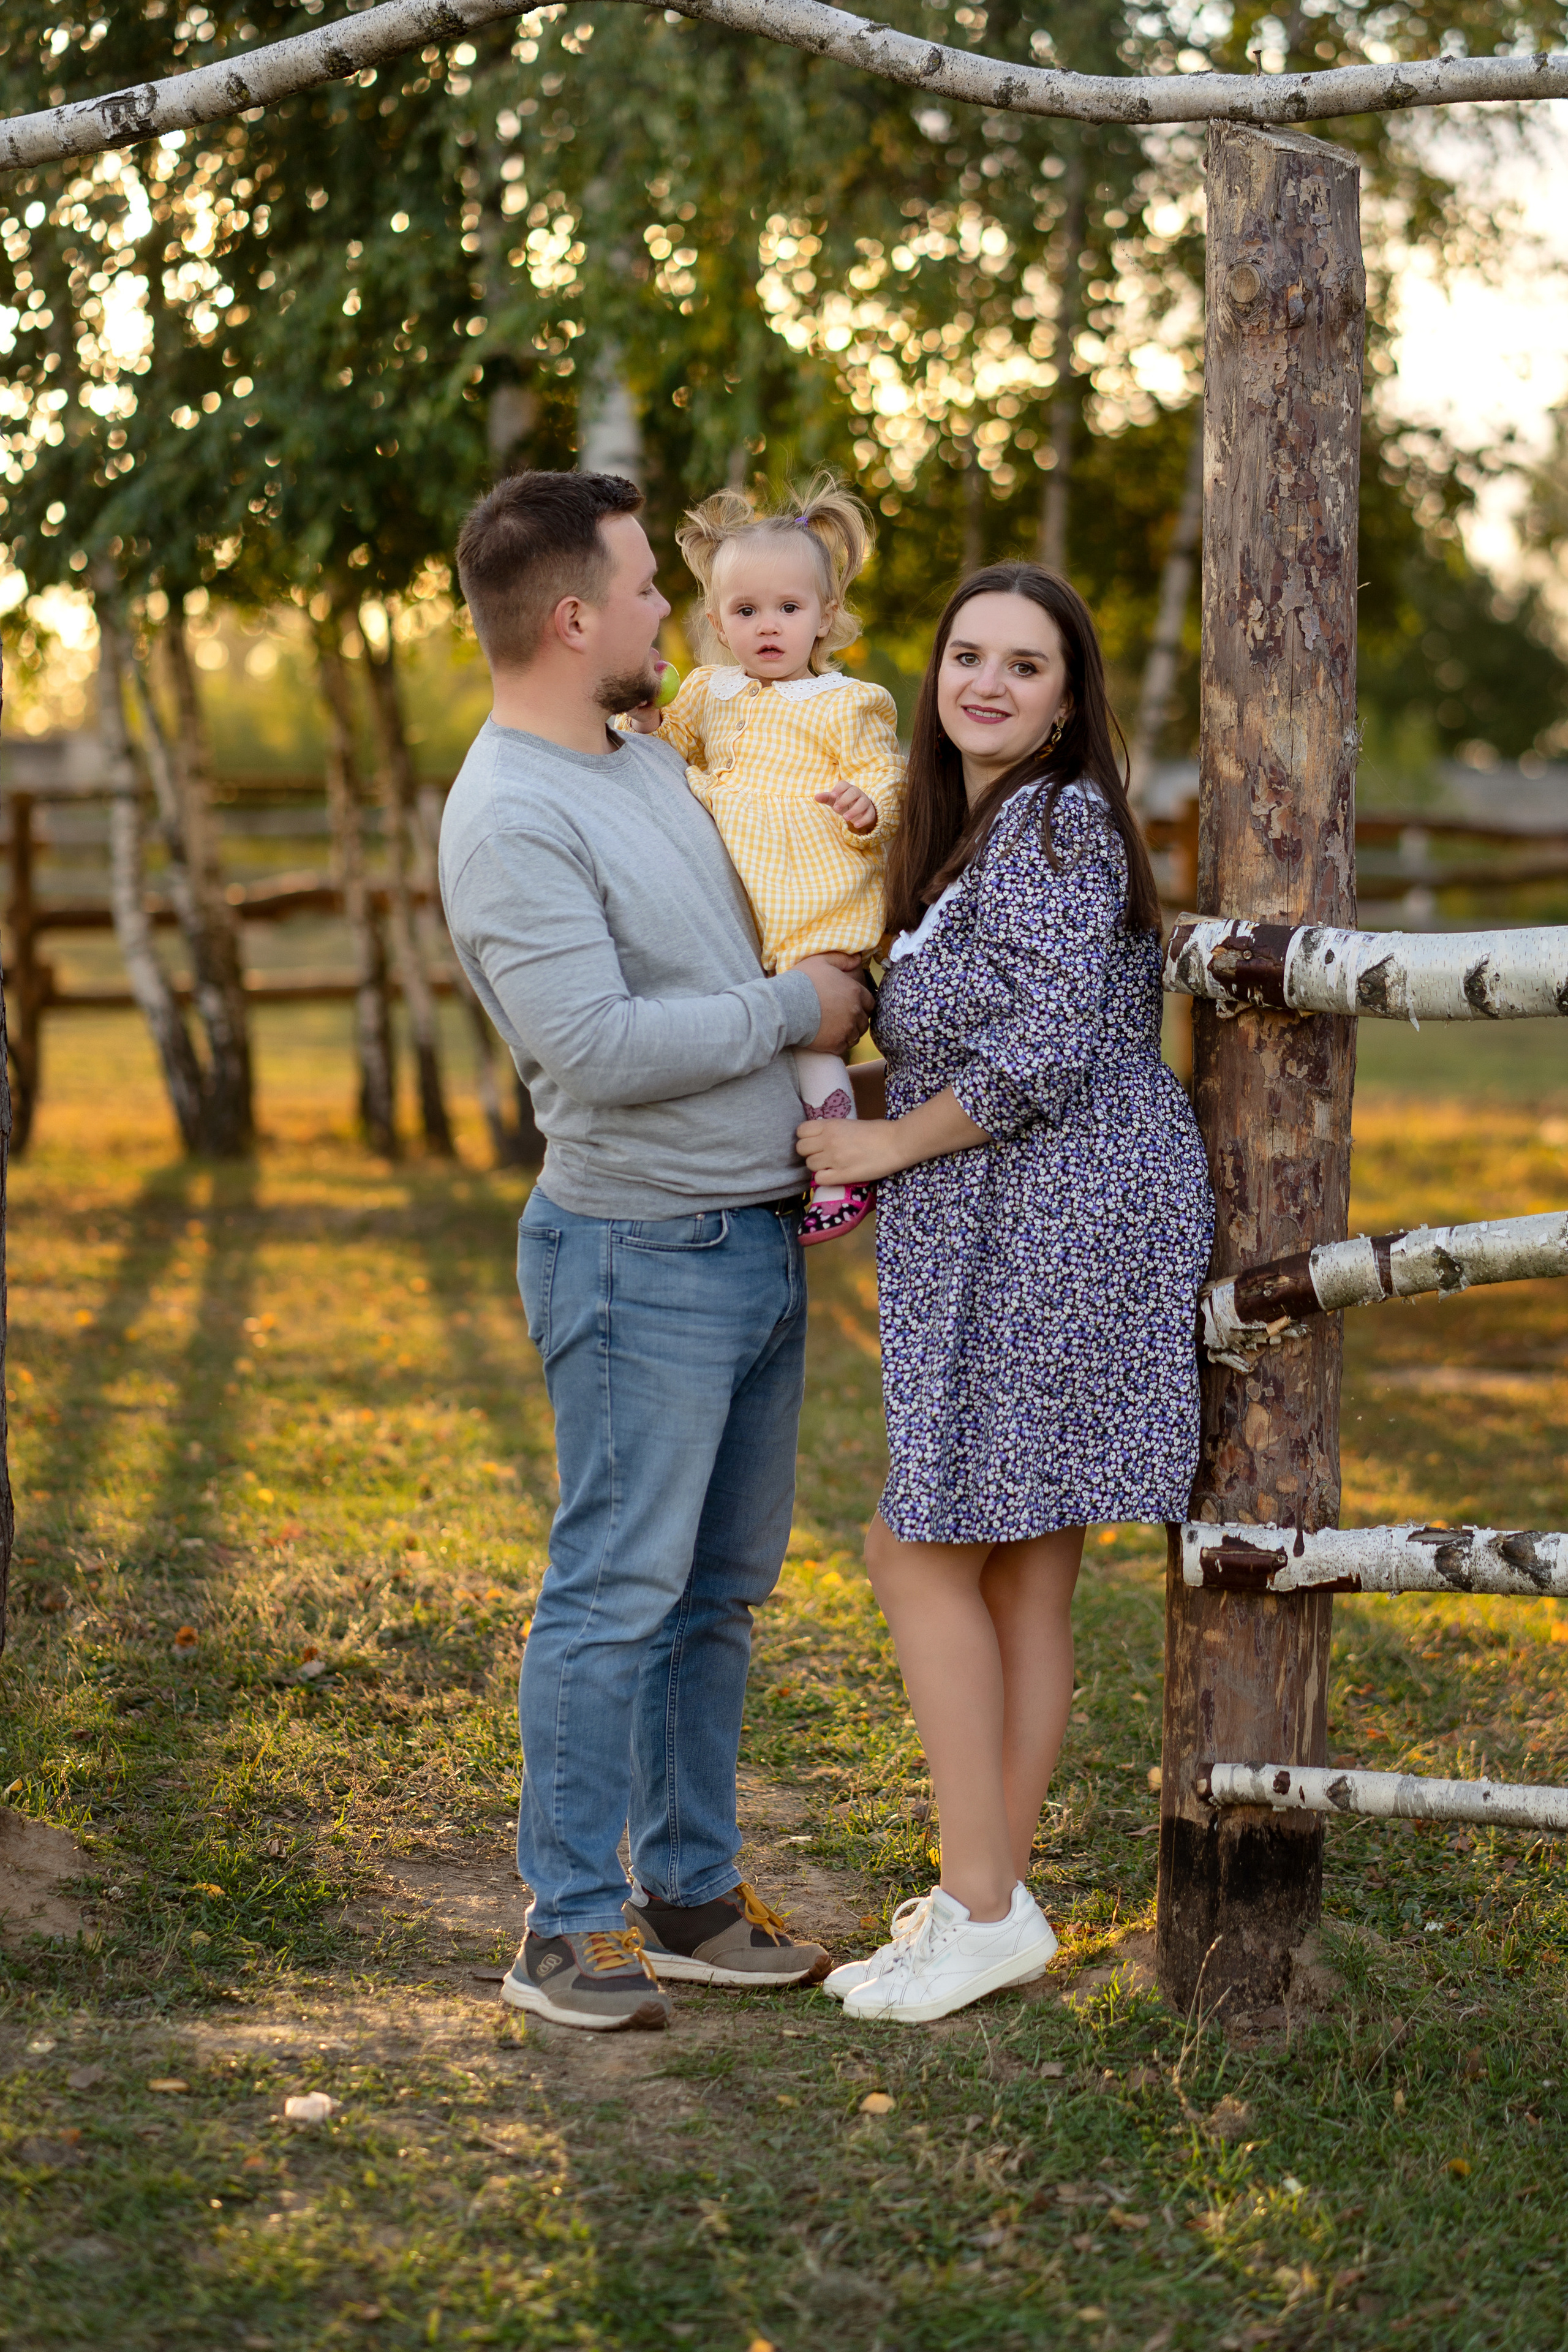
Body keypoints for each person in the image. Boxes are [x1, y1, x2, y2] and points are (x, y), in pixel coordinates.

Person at [439, 469, 873, 2032]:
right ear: (573, 618)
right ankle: (561, 1926)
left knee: (714, 1597)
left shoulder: (641, 761)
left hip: (747, 1237)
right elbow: (597, 1044)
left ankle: (687, 1895)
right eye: (641, 590)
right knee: (614, 1592)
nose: (667, 616)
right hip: (635, 1256)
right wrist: (800, 1013)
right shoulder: (510, 817)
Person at [796, 563, 1215, 2025]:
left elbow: (1039, 1045)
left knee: (917, 1547)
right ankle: (989, 1896)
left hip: (1061, 1214)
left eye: (1022, 665)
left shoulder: (1053, 822)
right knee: (1023, 1559)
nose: (983, 681)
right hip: (1025, 1209)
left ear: (1064, 702)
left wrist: (879, 1138)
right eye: (964, 654)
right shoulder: (966, 830)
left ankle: (981, 1903)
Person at [623, 474, 902, 1244]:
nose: (768, 626)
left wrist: (868, 807)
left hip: (818, 903)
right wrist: (649, 718)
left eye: (789, 608)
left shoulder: (849, 703)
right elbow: (667, 747)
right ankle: (780, 1164)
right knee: (765, 1049)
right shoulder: (710, 693)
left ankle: (841, 1170)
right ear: (717, 621)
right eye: (746, 611)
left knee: (815, 1042)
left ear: (826, 618)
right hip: (743, 916)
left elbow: (888, 776)